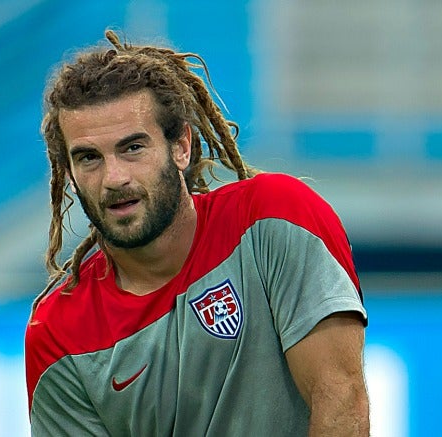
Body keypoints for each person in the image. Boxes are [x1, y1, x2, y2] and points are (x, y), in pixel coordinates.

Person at [24, 29, 369, 436]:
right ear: (70, 174)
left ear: (181, 146)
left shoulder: (275, 218)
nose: (114, 178)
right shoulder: (58, 333)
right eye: (89, 158)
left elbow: (340, 396)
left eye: (133, 148)